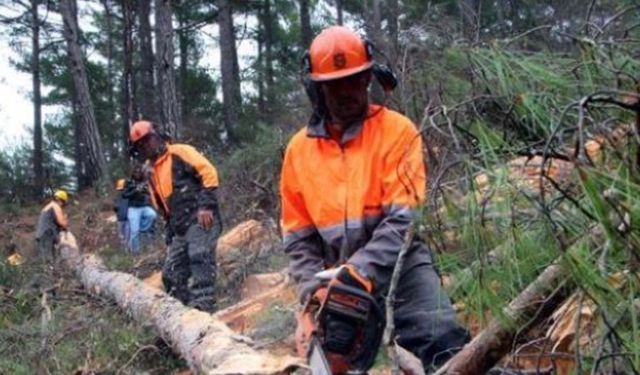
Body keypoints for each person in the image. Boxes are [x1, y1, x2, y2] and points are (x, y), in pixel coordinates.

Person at [280, 26, 469, 372]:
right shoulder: (298, 151)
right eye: (336, 84)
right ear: (318, 88)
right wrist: (312, 293)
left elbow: (403, 220)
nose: (347, 92)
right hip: (334, 272)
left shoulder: (397, 131)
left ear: (369, 78)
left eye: (355, 80)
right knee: (332, 358)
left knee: (442, 339)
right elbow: (298, 238)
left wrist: (361, 271)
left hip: (400, 261)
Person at [129, 120, 222, 313]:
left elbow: (209, 172)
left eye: (147, 141)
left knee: (199, 256)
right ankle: (184, 313)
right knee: (171, 273)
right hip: (180, 226)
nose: (145, 146)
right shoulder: (152, 171)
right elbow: (161, 204)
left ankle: (205, 307)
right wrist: (169, 229)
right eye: (140, 145)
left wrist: (206, 205)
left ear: (157, 136)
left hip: (200, 217)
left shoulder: (179, 152)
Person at [122, 165, 157, 254]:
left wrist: (145, 190)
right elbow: (124, 195)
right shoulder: (129, 182)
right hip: (133, 208)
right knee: (134, 233)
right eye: (135, 172)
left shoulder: (144, 182)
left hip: (144, 206)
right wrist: (135, 190)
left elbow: (149, 193)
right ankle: (135, 252)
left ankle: (142, 228)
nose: (137, 173)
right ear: (133, 173)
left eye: (139, 172)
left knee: (152, 215)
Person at [35, 189, 69, 264]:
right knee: (48, 260)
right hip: (47, 235)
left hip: (43, 235)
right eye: (63, 203)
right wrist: (65, 219)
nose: (63, 206)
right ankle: (48, 273)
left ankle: (49, 273)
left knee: (46, 258)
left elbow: (54, 223)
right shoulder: (55, 206)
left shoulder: (48, 207)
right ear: (61, 200)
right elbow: (62, 223)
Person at [114, 178, 130, 248]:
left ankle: (126, 248)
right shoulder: (128, 196)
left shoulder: (119, 197)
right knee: (126, 235)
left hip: (123, 218)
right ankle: (126, 247)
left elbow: (115, 208)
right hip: (124, 218)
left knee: (124, 235)